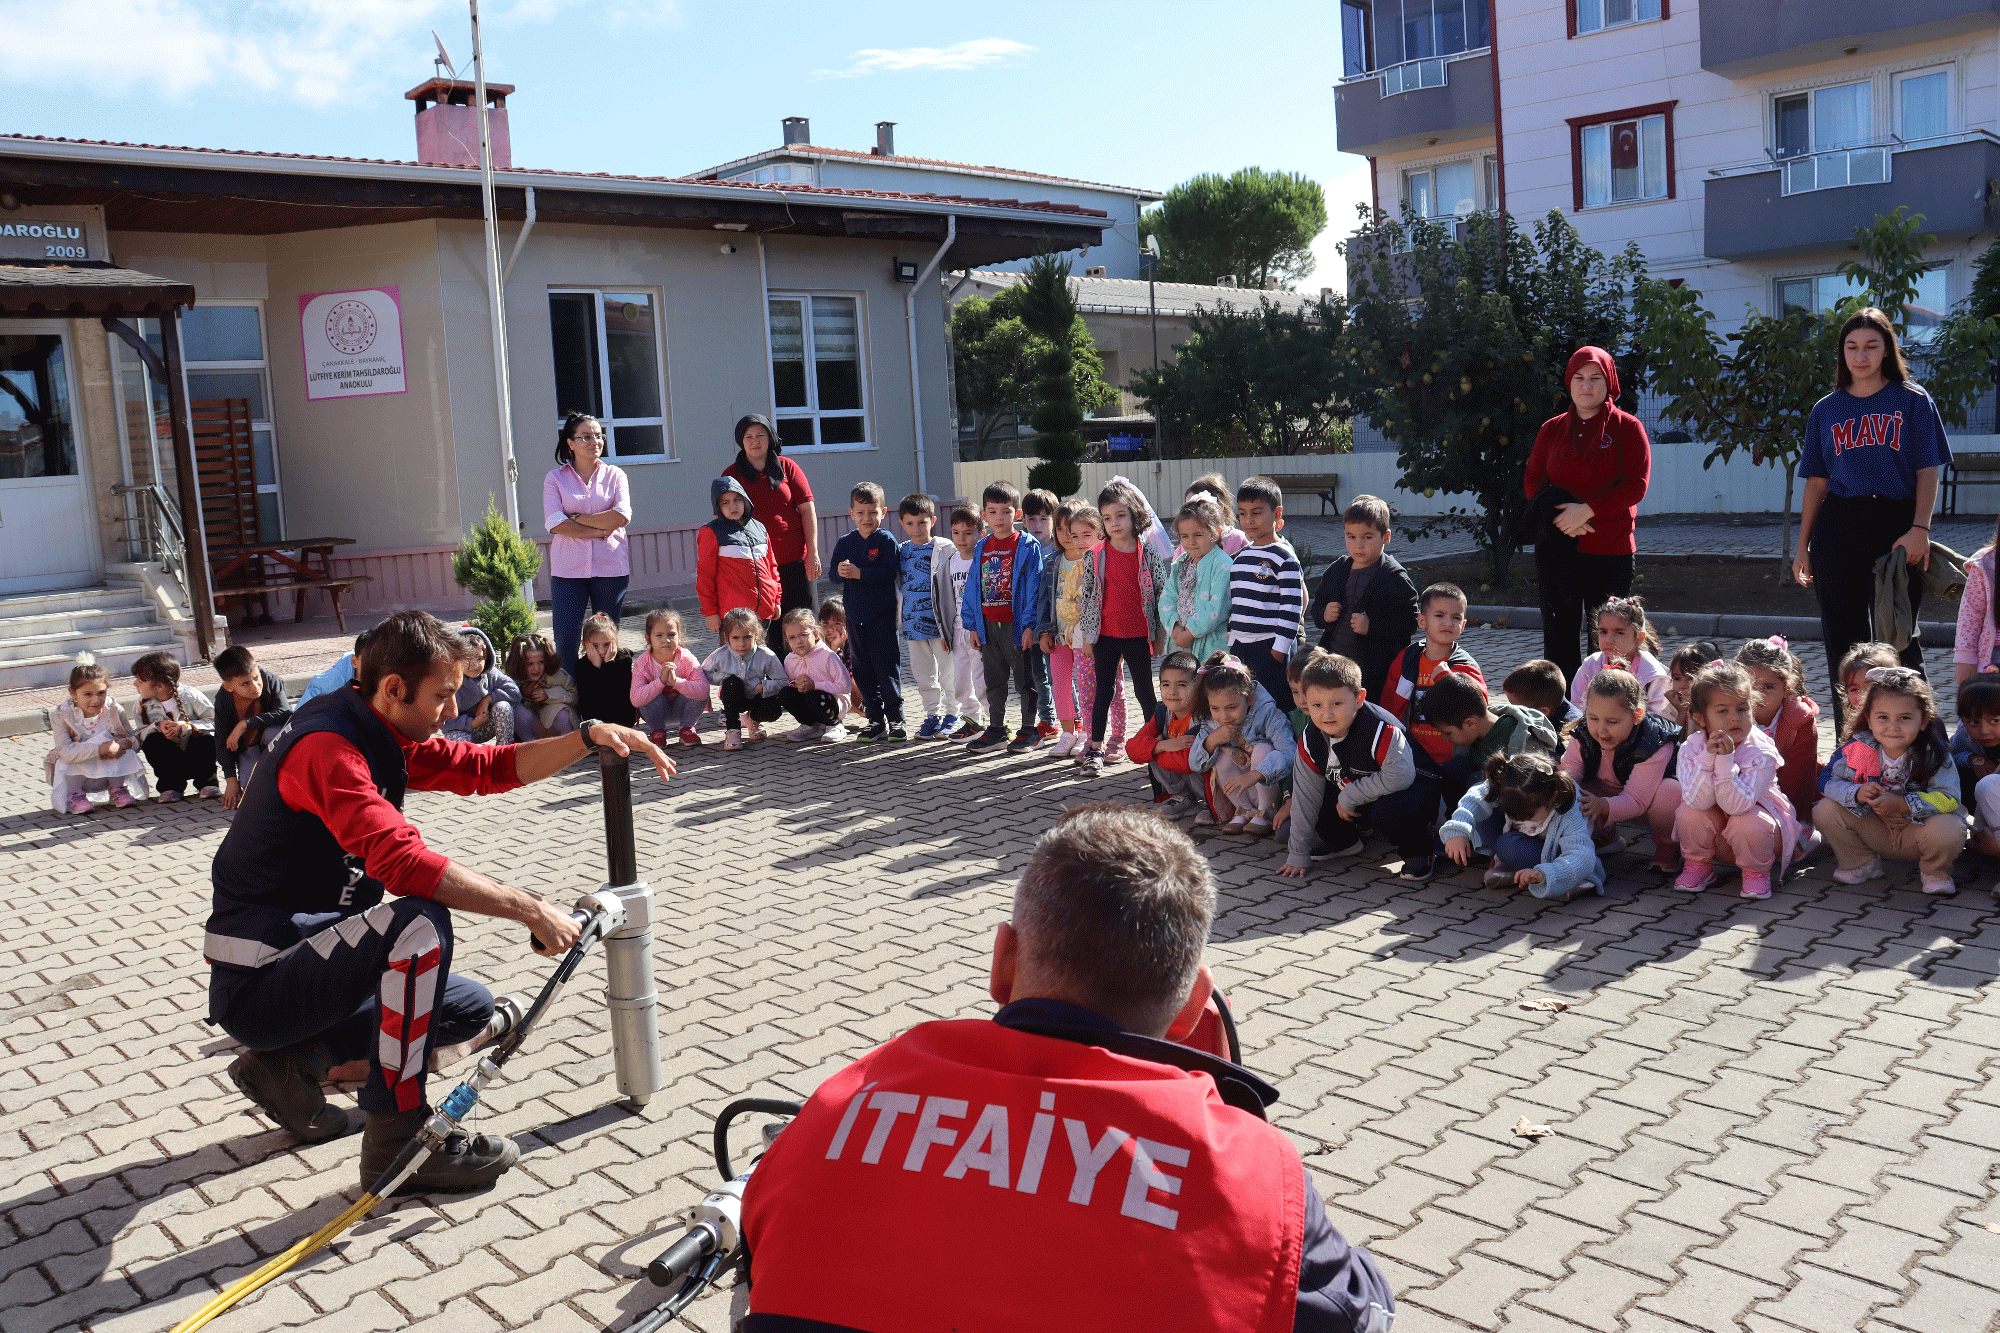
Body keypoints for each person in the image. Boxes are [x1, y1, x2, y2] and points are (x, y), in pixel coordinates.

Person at [738, 802, 1396, 1333]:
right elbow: (1363, 1309)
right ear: (1193, 1006)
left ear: (1003, 963)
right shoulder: (1253, 1180)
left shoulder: (842, 1105)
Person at [205, 609, 673, 1191]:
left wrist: (587, 736)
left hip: (305, 965)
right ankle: (399, 1139)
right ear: (393, 689)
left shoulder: (377, 726)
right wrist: (530, 908)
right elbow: (402, 864)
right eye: (442, 696)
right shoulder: (328, 748)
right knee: (419, 926)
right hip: (260, 983)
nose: (452, 711)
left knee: (466, 1008)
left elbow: (485, 768)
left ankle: (288, 1065)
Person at [1794, 308, 1952, 726]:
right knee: (1841, 641)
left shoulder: (1912, 400)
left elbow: (1928, 470)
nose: (1860, 356)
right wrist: (1803, 547)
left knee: (1897, 637)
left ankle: (1920, 738)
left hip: (1896, 525)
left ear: (1886, 350)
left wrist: (1920, 529)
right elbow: (1816, 483)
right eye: (1852, 347)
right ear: (1842, 353)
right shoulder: (1826, 409)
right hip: (1838, 524)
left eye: (1870, 346)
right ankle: (1851, 742)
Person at [1523, 345, 1651, 680]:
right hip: (1558, 548)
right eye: (1579, 377)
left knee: (1609, 637)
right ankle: (1562, 701)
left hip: (1610, 549)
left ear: (1609, 383)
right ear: (1569, 382)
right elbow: (1533, 480)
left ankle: (1610, 700)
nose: (1586, 385)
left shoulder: (1627, 427)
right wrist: (1561, 518)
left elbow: (1636, 485)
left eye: (1595, 378)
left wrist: (1588, 511)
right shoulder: (1551, 429)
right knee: (1559, 633)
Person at [1281, 652, 1442, 882]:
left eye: (1337, 703)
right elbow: (1305, 798)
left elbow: (1401, 776)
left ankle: (1420, 850)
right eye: (1317, 704)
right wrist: (1297, 853)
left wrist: (1350, 795)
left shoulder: (1380, 729)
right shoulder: (1310, 739)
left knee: (1389, 809)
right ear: (1306, 700)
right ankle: (1343, 841)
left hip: (1415, 785)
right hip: (1365, 788)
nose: (1327, 713)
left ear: (1359, 698)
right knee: (1314, 792)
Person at [1815, 666, 1966, 896]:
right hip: (1875, 829)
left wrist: (1904, 804)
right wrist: (1856, 792)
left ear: (1923, 720)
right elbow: (1826, 781)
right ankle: (1861, 864)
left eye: (1904, 718)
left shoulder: (1934, 754)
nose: (1893, 727)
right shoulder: (1857, 748)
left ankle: (1935, 872)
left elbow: (1950, 799)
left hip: (1917, 832)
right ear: (1869, 718)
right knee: (1825, 809)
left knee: (1949, 827)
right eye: (1883, 717)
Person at [1674, 660, 1806, 901]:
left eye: (1742, 709)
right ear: (1701, 718)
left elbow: (1738, 806)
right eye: (1723, 711)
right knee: (1689, 812)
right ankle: (1698, 865)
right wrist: (1707, 760)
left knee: (1748, 820)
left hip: (1762, 839)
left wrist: (1725, 762)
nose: (1735, 718)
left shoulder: (1761, 751)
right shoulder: (1691, 749)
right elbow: (1697, 801)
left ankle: (1756, 872)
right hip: (1721, 842)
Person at [1077, 479, 1170, 775]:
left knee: (1144, 691)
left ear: (1134, 516)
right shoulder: (1095, 554)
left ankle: (1155, 744)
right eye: (1107, 518)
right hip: (1105, 635)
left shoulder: (1148, 553)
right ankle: (1095, 748)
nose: (1114, 523)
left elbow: (1161, 594)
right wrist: (1088, 636)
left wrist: (1160, 634)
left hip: (1138, 636)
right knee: (1102, 692)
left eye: (1120, 516)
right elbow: (1087, 596)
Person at [1559, 666, 1683, 873]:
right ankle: (1602, 833)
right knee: (1568, 786)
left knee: (1671, 792)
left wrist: (1603, 806)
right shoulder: (1583, 734)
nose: (1601, 730)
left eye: (1612, 721)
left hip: (1647, 802)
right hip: (1605, 796)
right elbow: (1569, 773)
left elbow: (1637, 800)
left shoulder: (1654, 741)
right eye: (1593, 718)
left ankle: (1668, 843)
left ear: (1637, 715)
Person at [1441, 752, 1606, 899]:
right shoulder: (1510, 781)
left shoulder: (1571, 808)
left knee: (1507, 846)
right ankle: (1507, 863)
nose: (1519, 819)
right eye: (1512, 814)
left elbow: (1581, 855)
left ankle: (1569, 876)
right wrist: (1458, 831)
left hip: (1557, 854)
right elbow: (1474, 799)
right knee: (1482, 806)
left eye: (1528, 815)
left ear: (1553, 798)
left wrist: (1545, 874)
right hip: (1522, 840)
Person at [959, 482, 1047, 756]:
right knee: (994, 680)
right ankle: (996, 730)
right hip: (988, 626)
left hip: (1016, 626)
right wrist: (973, 625)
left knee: (1025, 680)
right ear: (983, 515)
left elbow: (1035, 588)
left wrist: (1030, 625)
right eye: (993, 511)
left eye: (1006, 511)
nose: (999, 517)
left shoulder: (1027, 545)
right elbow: (973, 587)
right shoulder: (982, 545)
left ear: (1017, 514)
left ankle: (1029, 730)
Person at [544, 411, 634, 677]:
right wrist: (599, 530)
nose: (595, 441)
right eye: (585, 437)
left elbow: (621, 516)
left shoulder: (615, 475)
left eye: (598, 435)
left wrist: (577, 519)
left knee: (605, 642)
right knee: (566, 641)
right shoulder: (555, 478)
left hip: (610, 569)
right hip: (568, 572)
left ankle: (604, 694)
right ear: (570, 443)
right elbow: (555, 523)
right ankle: (573, 697)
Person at [724, 414, 822, 656]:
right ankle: (777, 678)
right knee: (771, 632)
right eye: (749, 437)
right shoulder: (731, 475)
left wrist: (813, 552)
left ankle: (812, 675)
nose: (755, 441)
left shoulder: (788, 467)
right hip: (758, 568)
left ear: (770, 438)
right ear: (741, 441)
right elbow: (725, 523)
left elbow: (807, 511)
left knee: (805, 627)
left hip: (796, 562)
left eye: (761, 435)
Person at [1308, 495, 1419, 702]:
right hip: (1334, 663)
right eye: (1351, 537)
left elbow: (1409, 623)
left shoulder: (1394, 578)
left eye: (1367, 537)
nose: (1358, 545)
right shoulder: (1338, 570)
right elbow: (1318, 604)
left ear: (1386, 537)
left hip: (1373, 672)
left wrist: (1372, 627)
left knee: (1366, 711)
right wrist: (1324, 614)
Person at [1382, 583, 1484, 799]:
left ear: (1463, 625)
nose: (1448, 623)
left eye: (1456, 618)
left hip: (1453, 760)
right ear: (1422, 621)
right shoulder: (1407, 660)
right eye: (1439, 615)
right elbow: (1388, 705)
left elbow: (1476, 712)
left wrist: (1447, 680)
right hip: (1412, 755)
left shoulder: (1465, 667)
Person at [1043, 501, 1124, 762]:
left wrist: (1090, 606)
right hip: (1079, 640)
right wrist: (1082, 607)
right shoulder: (1074, 569)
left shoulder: (1112, 563)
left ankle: (1118, 739)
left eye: (1085, 534)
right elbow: (1064, 606)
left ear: (1101, 534)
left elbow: (1116, 603)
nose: (1077, 541)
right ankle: (1091, 737)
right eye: (1072, 534)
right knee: (1086, 693)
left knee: (1115, 691)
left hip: (1111, 639)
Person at [1187, 653, 1294, 834]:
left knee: (1262, 749)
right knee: (1221, 758)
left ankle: (1265, 812)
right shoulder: (1210, 722)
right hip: (1240, 791)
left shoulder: (1267, 713)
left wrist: (1257, 773)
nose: (1224, 716)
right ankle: (1243, 811)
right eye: (1215, 708)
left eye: (1232, 707)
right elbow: (1194, 764)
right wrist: (1212, 740)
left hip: (1269, 788)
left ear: (1250, 698)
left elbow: (1289, 752)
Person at [830, 482, 905, 743]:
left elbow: (889, 572)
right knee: (862, 672)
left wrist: (859, 573)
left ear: (883, 512)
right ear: (851, 513)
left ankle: (896, 720)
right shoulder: (845, 543)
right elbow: (833, 575)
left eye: (872, 512)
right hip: (854, 618)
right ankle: (875, 720)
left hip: (881, 617)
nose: (867, 518)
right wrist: (840, 572)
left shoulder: (886, 540)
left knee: (886, 669)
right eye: (860, 513)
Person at [1226, 476, 1306, 708]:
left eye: (1257, 513)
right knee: (1244, 705)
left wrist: (1279, 651)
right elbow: (1237, 603)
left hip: (1269, 646)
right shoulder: (1241, 557)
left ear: (1277, 513)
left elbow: (1292, 608)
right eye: (1242, 513)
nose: (1248, 520)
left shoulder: (1284, 557)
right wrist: (1233, 641)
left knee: (1274, 707)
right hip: (1241, 646)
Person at [1735, 636, 1821, 830]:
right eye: (1750, 685)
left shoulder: (1800, 721)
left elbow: (1799, 783)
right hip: (1736, 798)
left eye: (1768, 687)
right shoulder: (1727, 714)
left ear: (1786, 688)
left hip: (1785, 805)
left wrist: (1789, 821)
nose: (1757, 695)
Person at [45, 653, 146, 814]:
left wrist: (124, 743)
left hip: (108, 772)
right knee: (65, 757)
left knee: (124, 750)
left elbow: (133, 739)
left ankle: (117, 788)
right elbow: (66, 752)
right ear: (73, 693)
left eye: (101, 693)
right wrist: (100, 749)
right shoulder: (62, 715)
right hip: (79, 773)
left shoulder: (113, 709)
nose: (96, 700)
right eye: (88, 694)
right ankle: (75, 795)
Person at [897, 493, 958, 740]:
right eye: (910, 523)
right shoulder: (900, 551)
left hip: (941, 626)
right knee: (923, 675)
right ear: (902, 524)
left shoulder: (945, 548)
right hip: (913, 626)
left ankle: (953, 715)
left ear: (932, 521)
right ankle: (933, 715)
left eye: (922, 522)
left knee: (948, 673)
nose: (917, 528)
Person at [1421, 672, 1560, 773]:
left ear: (1470, 724)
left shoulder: (1522, 740)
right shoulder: (1472, 737)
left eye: (1448, 733)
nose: (1444, 738)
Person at [131, 650, 219, 803]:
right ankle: (171, 787)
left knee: (205, 738)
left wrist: (185, 726)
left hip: (194, 755)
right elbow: (139, 734)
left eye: (140, 681)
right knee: (152, 741)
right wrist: (157, 726)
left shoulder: (191, 696)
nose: (135, 684)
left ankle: (207, 783)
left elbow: (214, 722)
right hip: (169, 760)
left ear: (159, 686)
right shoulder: (141, 705)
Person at [697, 475, 780, 635]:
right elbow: (705, 576)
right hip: (733, 617)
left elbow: (772, 568)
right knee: (736, 652)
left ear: (745, 500)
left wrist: (776, 599)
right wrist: (710, 612)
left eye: (737, 500)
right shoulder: (711, 532)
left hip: (764, 612)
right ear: (717, 506)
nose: (733, 506)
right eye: (725, 502)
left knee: (762, 651)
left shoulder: (760, 528)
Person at [213, 644, 292, 808]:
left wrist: (245, 724)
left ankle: (287, 779)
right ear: (228, 686)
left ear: (257, 666)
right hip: (248, 747)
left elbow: (285, 713)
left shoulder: (270, 680)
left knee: (275, 732)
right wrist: (231, 780)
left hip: (272, 740)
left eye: (256, 678)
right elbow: (221, 739)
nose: (255, 686)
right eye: (245, 684)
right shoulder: (223, 699)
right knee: (251, 788)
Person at [1126, 649, 1203, 817]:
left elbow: (1188, 762)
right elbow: (1132, 748)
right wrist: (1161, 746)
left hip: (1207, 784)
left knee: (1152, 750)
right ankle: (1185, 799)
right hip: (1184, 774)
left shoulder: (1203, 716)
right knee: (1152, 748)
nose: (1172, 691)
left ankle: (1212, 808)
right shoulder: (1162, 712)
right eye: (1166, 684)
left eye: (1181, 685)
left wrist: (1154, 749)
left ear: (1197, 686)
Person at [1161, 497, 1235, 665]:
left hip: (1210, 647)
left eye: (1198, 535)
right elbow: (1167, 598)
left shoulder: (1223, 565)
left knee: (1206, 681)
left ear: (1216, 532)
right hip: (1180, 641)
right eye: (1185, 536)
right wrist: (1174, 627)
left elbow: (1216, 608)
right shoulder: (1182, 563)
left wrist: (1190, 633)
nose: (1191, 542)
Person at [703, 607, 788, 750]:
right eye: (735, 638)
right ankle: (733, 730)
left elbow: (784, 682)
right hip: (734, 698)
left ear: (756, 634)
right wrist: (724, 677)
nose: (742, 643)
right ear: (727, 637)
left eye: (747, 637)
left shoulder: (766, 655)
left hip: (757, 697)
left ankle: (753, 719)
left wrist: (764, 686)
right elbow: (703, 674)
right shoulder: (720, 655)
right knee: (732, 683)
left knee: (774, 709)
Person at [1569, 596, 1669, 717]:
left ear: (1639, 637)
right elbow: (1577, 707)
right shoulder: (1591, 665)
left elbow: (1659, 717)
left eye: (1619, 633)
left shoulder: (1653, 674)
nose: (1608, 640)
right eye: (1603, 632)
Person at [1019, 488, 1062, 741]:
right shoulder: (1022, 550)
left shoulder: (1060, 550)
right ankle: (1048, 720)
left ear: (1054, 520)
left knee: (1059, 676)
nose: (1037, 525)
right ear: (1023, 520)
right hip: (1030, 626)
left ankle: (1074, 718)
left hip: (1055, 627)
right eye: (1031, 518)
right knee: (1038, 676)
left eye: (1044, 518)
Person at [631, 607, 709, 747]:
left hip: (683, 708)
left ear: (679, 636)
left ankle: (686, 729)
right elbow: (636, 699)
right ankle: (658, 732)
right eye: (659, 635)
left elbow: (704, 690)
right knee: (647, 695)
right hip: (657, 710)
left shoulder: (686, 658)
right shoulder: (642, 663)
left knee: (698, 690)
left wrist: (676, 682)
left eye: (671, 634)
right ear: (648, 638)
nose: (666, 640)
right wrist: (660, 682)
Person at [942, 506, 988, 740]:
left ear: (981, 533)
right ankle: (972, 721)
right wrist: (945, 631)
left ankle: (995, 722)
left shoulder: (982, 561)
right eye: (956, 532)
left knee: (982, 679)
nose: (961, 538)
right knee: (960, 680)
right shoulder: (951, 562)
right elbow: (945, 599)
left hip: (977, 630)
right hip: (957, 629)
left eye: (968, 533)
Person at [780, 606, 853, 743]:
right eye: (792, 637)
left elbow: (845, 687)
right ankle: (810, 726)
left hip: (833, 703)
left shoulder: (827, 655)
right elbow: (790, 683)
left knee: (814, 696)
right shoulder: (789, 660)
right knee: (785, 693)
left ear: (815, 634)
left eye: (803, 634)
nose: (798, 641)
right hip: (810, 701)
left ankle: (834, 725)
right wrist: (796, 684)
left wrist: (815, 685)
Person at [439, 626, 520, 746]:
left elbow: (514, 692)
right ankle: (468, 757)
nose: (475, 665)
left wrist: (488, 699)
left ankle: (504, 750)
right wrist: (471, 723)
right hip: (460, 730)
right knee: (456, 740)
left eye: (479, 658)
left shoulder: (490, 673)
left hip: (486, 726)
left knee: (503, 707)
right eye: (468, 659)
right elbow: (444, 719)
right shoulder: (449, 682)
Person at [1950, 676, 2000, 858]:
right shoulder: (1964, 735)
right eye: (1974, 722)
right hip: (1990, 802)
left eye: (1995, 721)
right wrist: (1972, 759)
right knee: (1960, 775)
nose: (1985, 731)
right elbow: (1949, 756)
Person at [503, 632, 577, 740]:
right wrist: (522, 694)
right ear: (519, 662)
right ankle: (530, 747)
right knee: (517, 710)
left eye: (541, 662)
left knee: (562, 714)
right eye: (530, 664)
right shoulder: (513, 679)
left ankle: (570, 746)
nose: (536, 668)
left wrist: (549, 694)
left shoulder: (557, 676)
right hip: (534, 729)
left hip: (555, 729)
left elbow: (576, 698)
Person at [573, 613, 638, 728]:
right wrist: (596, 667)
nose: (601, 651)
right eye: (595, 646)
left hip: (623, 720)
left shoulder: (624, 659)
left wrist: (609, 664)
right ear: (584, 644)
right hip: (596, 723)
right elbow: (589, 700)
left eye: (606, 644)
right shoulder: (582, 666)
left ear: (615, 641)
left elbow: (620, 693)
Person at [1663, 640, 1723, 735]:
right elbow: (1672, 741)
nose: (1682, 685)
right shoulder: (1672, 707)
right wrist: (1682, 711)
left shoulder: (1713, 706)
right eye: (1677, 678)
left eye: (1690, 678)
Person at [1503, 659, 1580, 731]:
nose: (1511, 709)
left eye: (1517, 708)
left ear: (1543, 711)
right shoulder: (1554, 701)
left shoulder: (1566, 732)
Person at [1185, 473, 1250, 555]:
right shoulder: (1187, 542)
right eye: (1188, 508)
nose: (1193, 513)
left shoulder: (1237, 539)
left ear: (1220, 507)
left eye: (1198, 507)